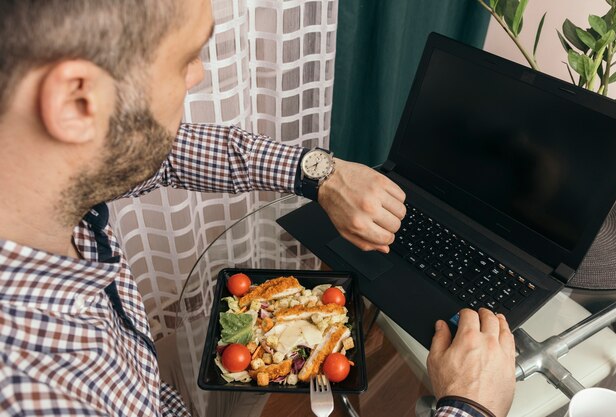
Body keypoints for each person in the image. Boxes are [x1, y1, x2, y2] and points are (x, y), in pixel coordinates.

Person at [0, 0, 515, 416]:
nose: (198, 76)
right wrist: (469, 407)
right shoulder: (38, 395)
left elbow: (164, 154)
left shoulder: (56, 189)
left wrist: (320, 174)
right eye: (185, 59)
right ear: (76, 102)